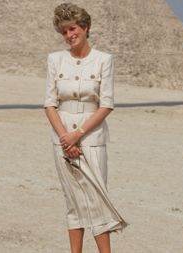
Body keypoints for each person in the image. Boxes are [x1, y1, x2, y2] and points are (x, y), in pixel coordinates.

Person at [44, 3, 127, 253]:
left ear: (85, 27)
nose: (69, 36)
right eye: (64, 32)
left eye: (73, 29)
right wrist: (64, 138)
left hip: (91, 138)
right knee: (72, 202)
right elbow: (49, 103)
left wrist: (77, 135)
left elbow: (107, 104)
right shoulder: (54, 59)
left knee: (97, 201)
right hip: (61, 138)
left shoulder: (104, 60)